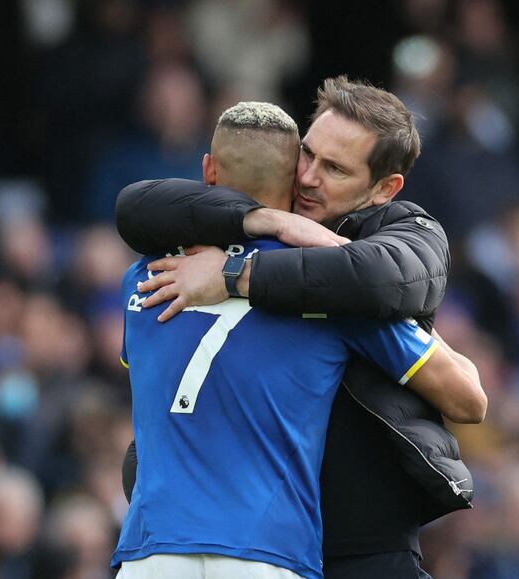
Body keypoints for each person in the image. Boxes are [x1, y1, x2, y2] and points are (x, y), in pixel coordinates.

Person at [114, 77, 480, 579]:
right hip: (271, 548)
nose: (305, 177)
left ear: (384, 188)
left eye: (333, 168)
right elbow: (136, 205)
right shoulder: (209, 255)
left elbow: (372, 281)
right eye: (305, 155)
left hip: (364, 549)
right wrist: (272, 224)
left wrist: (234, 275)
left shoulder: (152, 276)